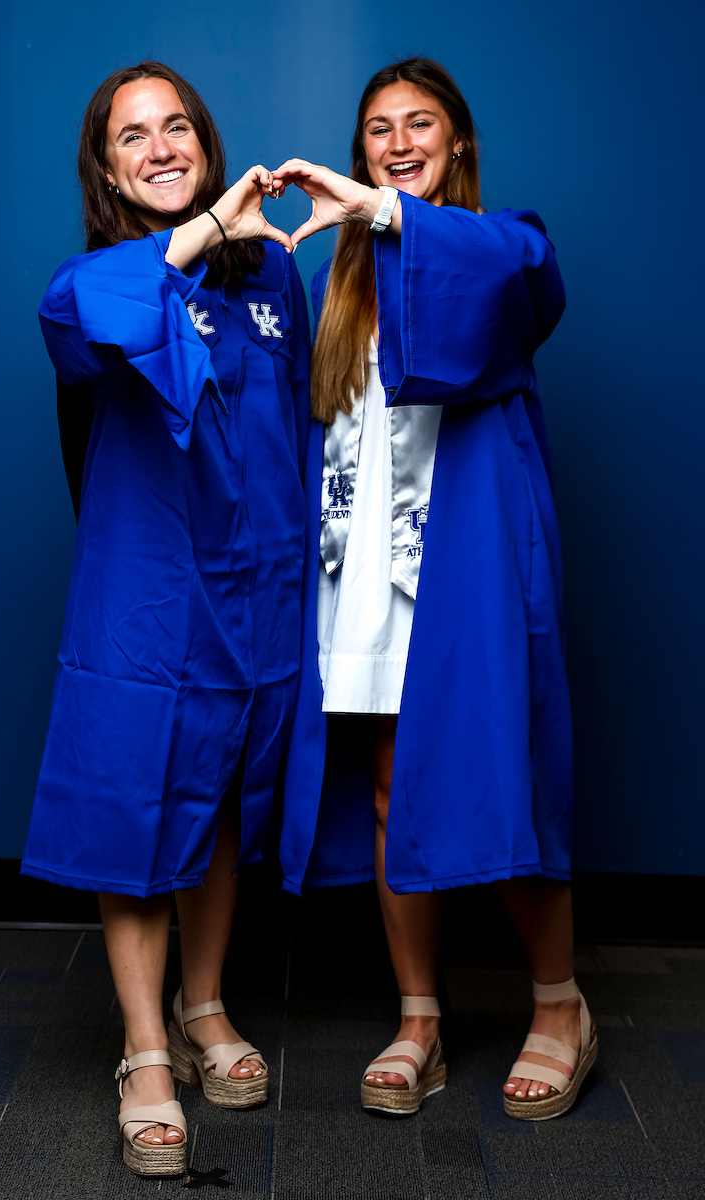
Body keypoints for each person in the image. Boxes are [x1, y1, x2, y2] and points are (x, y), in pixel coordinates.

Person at [275, 57, 596, 1121]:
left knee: (501, 775)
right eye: (377, 129)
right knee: (386, 787)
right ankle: (419, 1016)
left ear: (456, 143)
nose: (398, 141)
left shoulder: (497, 249)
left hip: (463, 557)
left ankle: (559, 1007)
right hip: (365, 565)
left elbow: (527, 275)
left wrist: (380, 211)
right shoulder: (341, 280)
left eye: (420, 125)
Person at [21, 62, 310, 1175]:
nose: (158, 146)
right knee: (136, 804)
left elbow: (298, 424)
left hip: (253, 591)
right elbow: (79, 326)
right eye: (131, 135)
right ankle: (143, 1047)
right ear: (104, 165)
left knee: (220, 802)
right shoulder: (93, 278)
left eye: (175, 126)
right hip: (145, 599)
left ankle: (202, 1007)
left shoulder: (269, 279)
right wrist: (191, 241)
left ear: (204, 138)